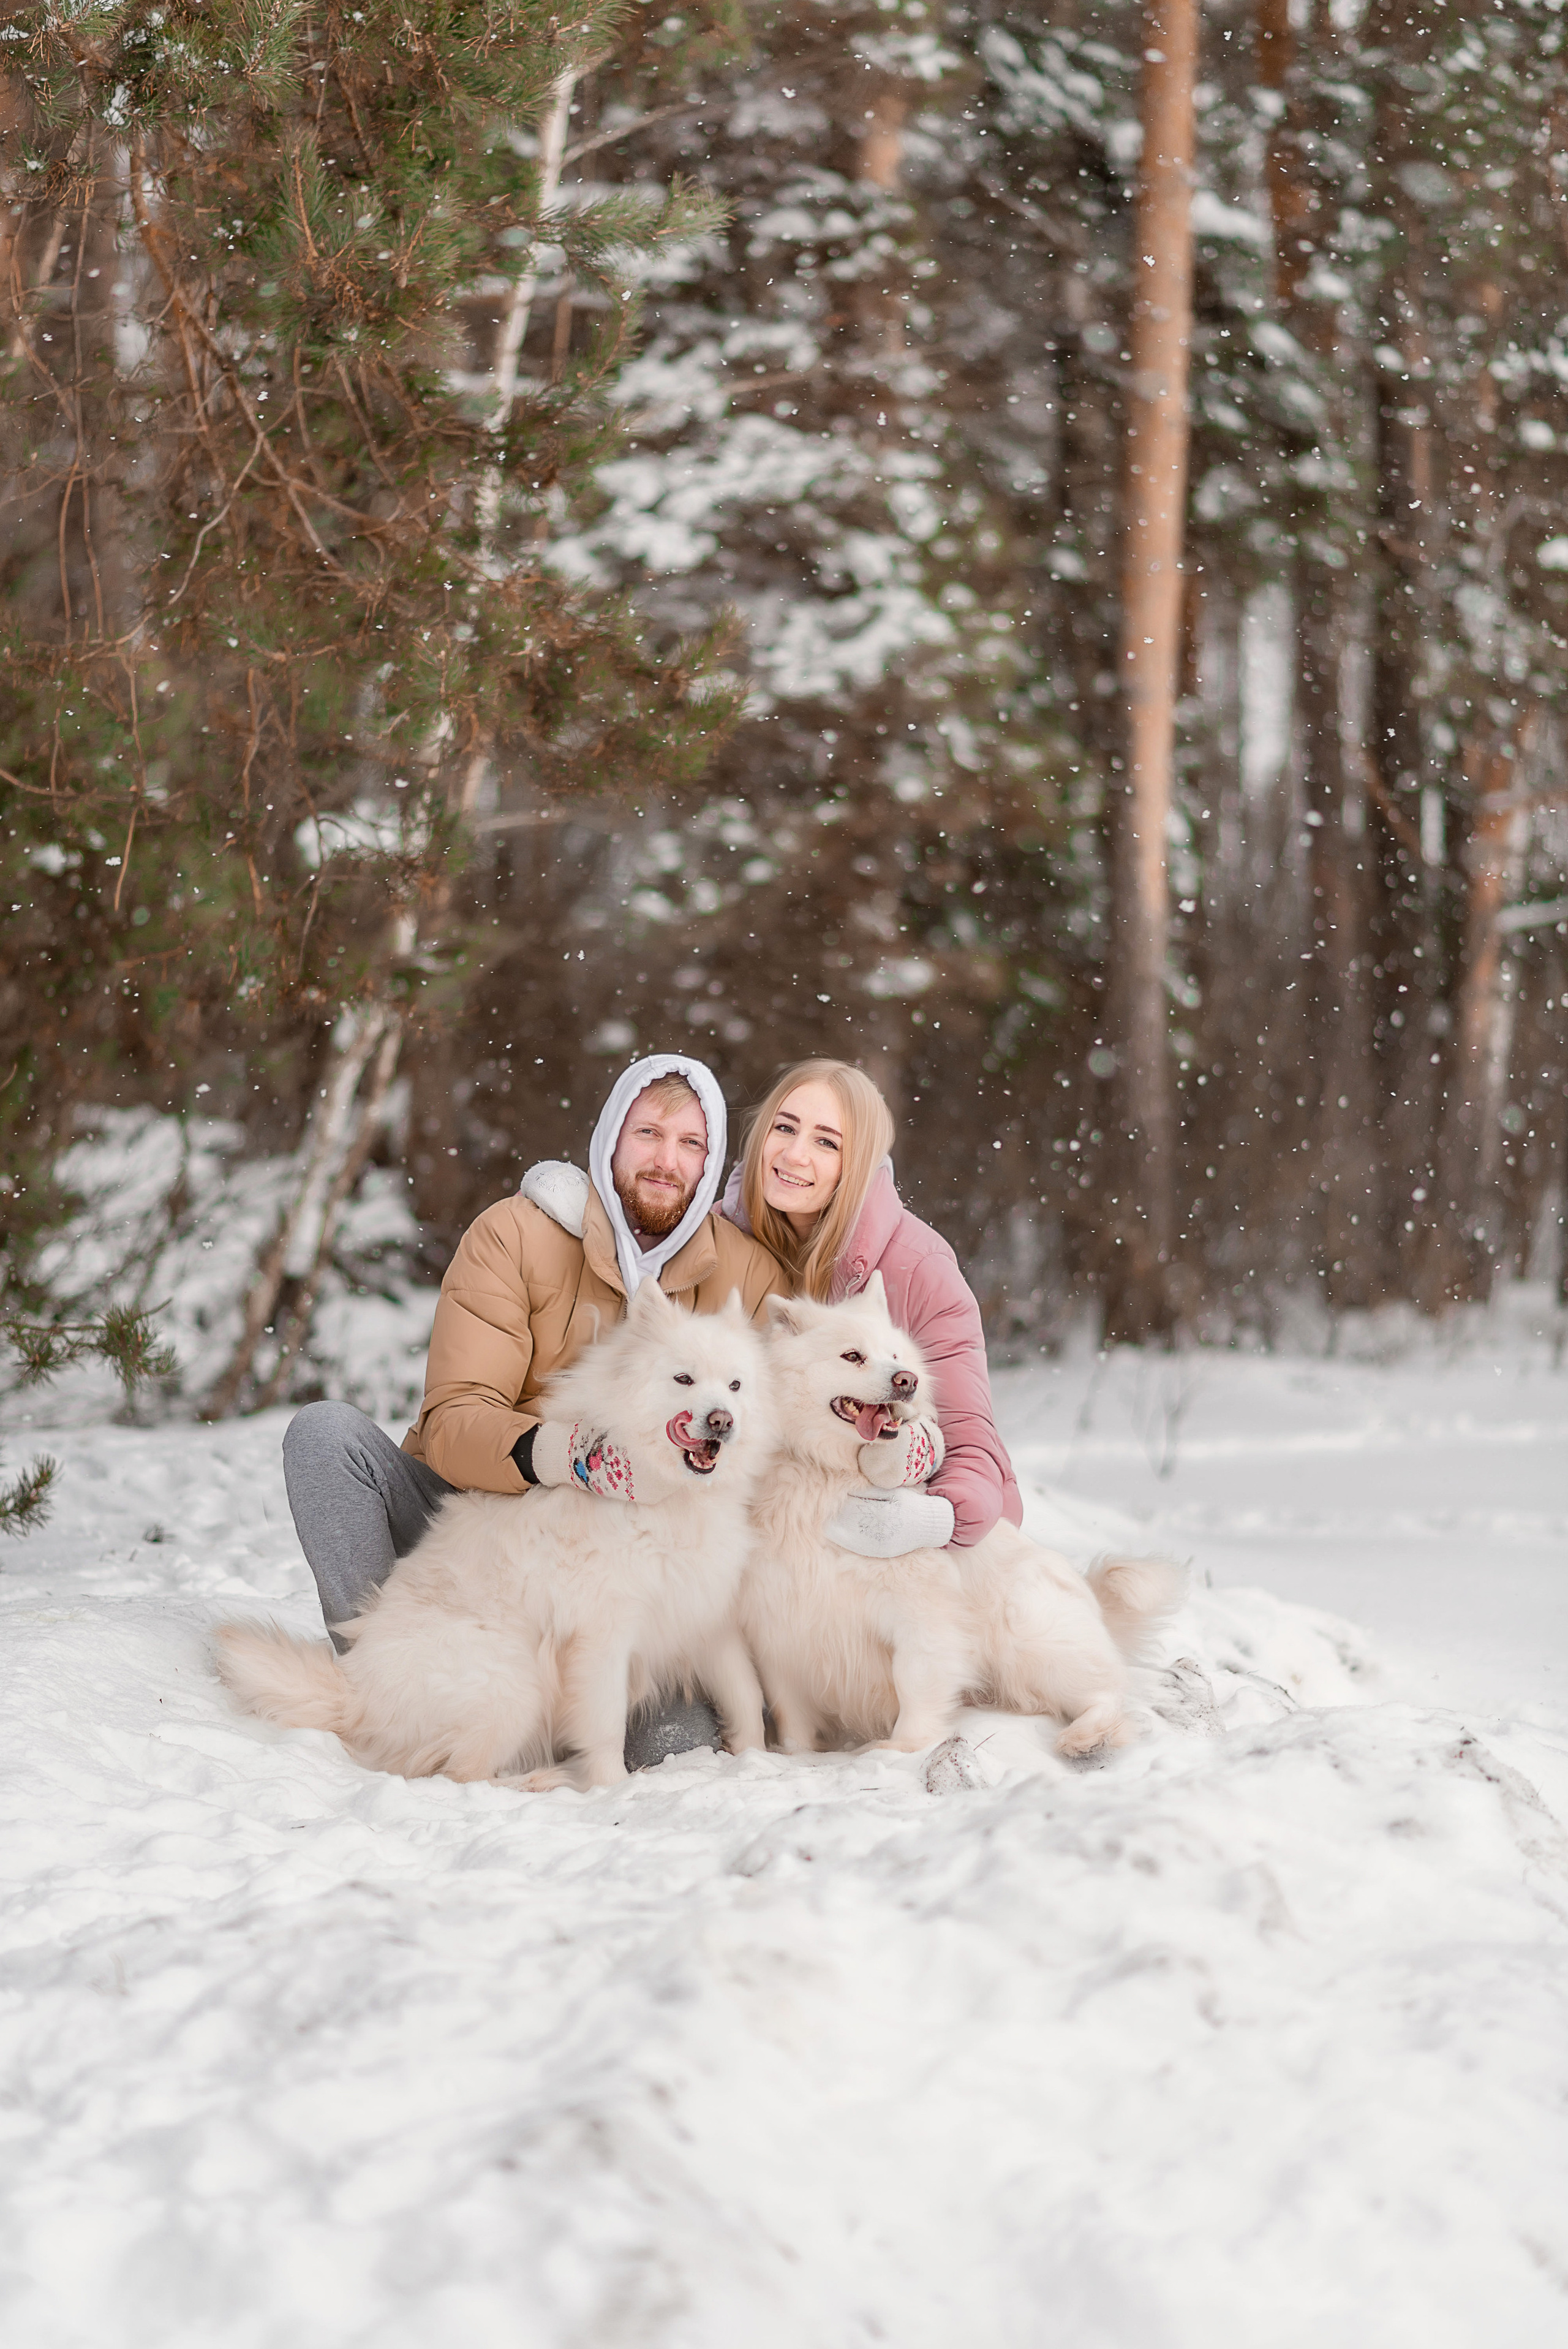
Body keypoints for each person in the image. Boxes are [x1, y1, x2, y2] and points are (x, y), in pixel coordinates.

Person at [282, 1053, 786, 1766]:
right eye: (648, 1134)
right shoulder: (514, 1235)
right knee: (324, 1437)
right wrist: (567, 1455)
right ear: (611, 1137)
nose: (666, 1160)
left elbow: (779, 1428)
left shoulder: (745, 1272)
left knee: (678, 1749)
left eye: (690, 1144)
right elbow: (456, 1416)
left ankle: (523, 1706)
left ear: (711, 1164)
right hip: (474, 1521)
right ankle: (389, 1683)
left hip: (636, 1571)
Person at [720, 1057, 1023, 1557]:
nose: (795, 1154)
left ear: (857, 1164)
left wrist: (931, 1521)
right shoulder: (717, 1245)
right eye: (785, 1127)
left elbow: (972, 1446)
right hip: (760, 1541)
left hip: (882, 1558)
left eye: (826, 1142)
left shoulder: (920, 1267)